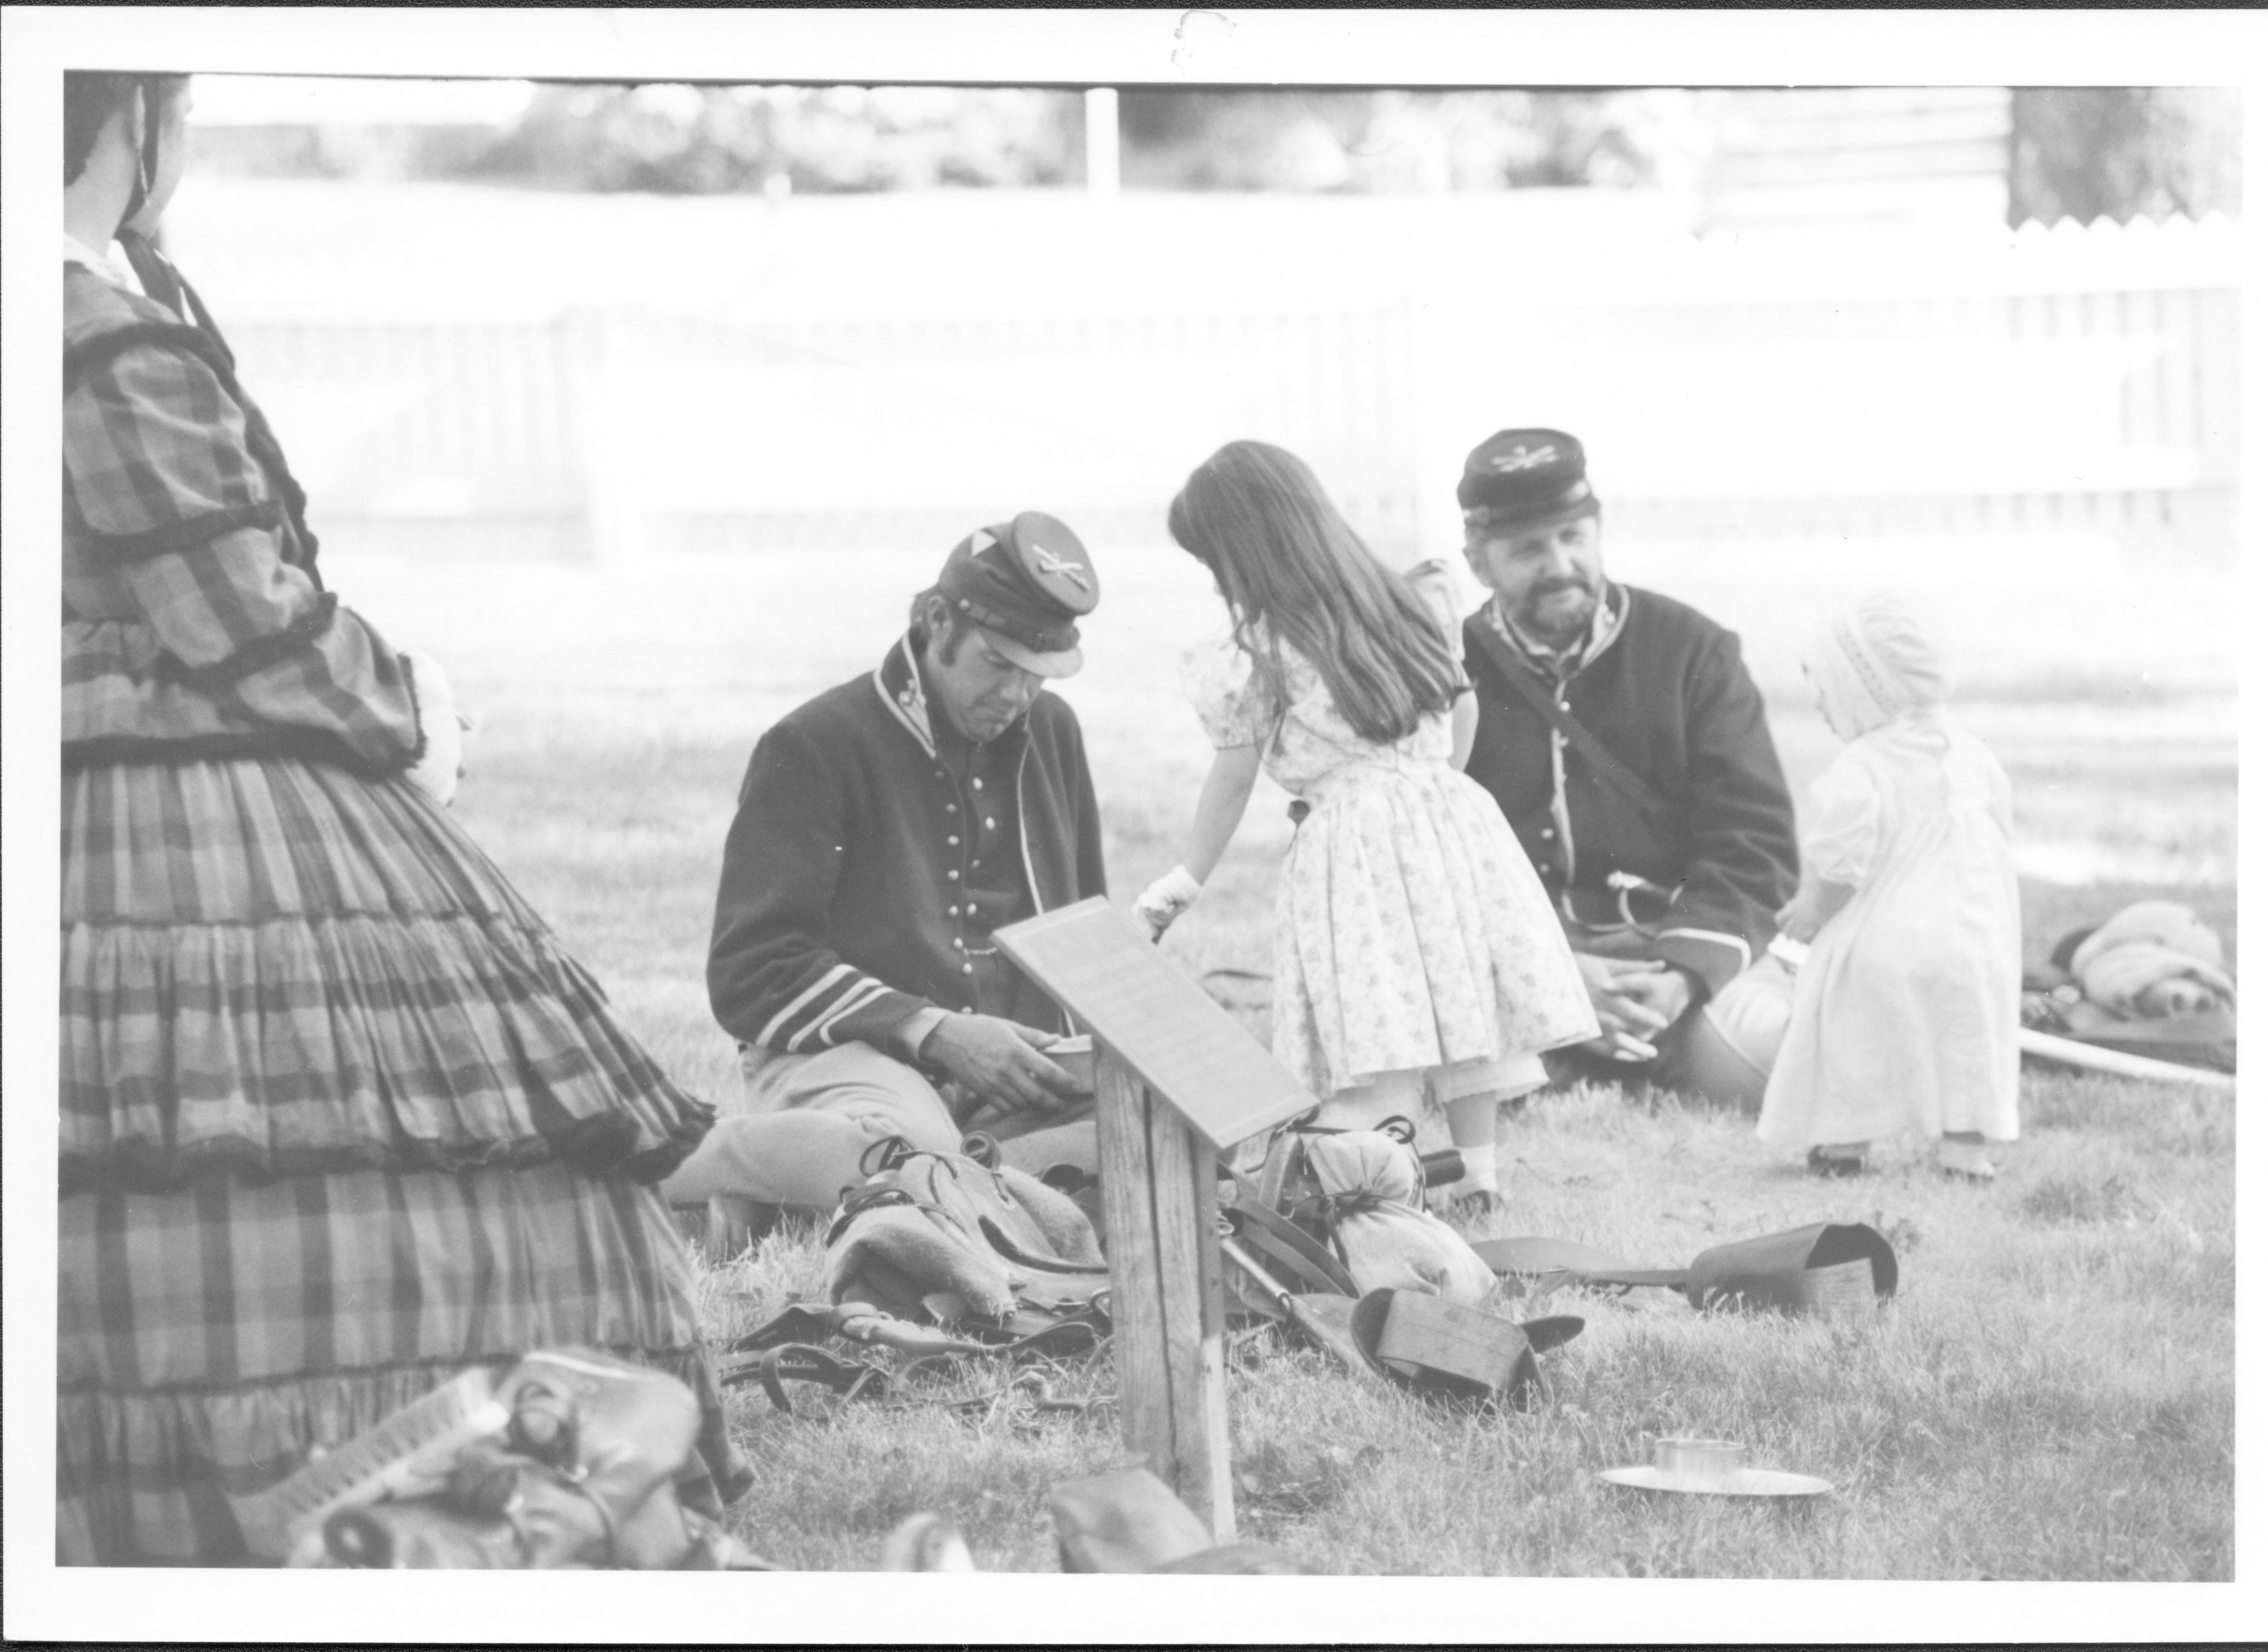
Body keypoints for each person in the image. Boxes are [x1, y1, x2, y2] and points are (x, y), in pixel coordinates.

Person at [58, 72, 747, 1565]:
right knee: (284, 1158)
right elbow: (234, 615)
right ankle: (380, 1520)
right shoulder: (88, 330)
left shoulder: (121, 291)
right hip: (174, 802)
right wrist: (413, 710)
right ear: (129, 114)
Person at [1134, 441, 1599, 1211]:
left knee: (1380, 1006)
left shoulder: (1255, 649)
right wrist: (1430, 787)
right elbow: (1463, 705)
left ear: (1241, 550)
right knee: (1460, 1005)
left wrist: (1183, 880)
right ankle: (1479, 1175)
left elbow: (1232, 775)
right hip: (1448, 820)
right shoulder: (1411, 600)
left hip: (1350, 839)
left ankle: (1392, 1175)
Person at [661, 513, 1110, 1231]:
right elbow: (752, 970)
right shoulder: (814, 745)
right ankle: (686, 1167)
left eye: (1037, 677)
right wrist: (934, 1031)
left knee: (1168, 1130)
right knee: (917, 1156)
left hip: (1010, 1085)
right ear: (937, 621)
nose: (1017, 698)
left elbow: (1082, 925)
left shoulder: (1053, 732)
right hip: (849, 1056)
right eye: (998, 664)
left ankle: (839, 1189)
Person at [1455, 428, 1801, 1108]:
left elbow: (1753, 846)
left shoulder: (1692, 651)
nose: (1559, 564)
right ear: (1478, 560)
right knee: (1436, 1078)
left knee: (1782, 1069)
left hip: (1668, 957)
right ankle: (1572, 1057)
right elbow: (1430, 870)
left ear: (1598, 530)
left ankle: (1616, 1054)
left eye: (1573, 537)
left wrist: (1678, 980)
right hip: (1513, 970)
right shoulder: (1446, 669)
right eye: (1527, 548)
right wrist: (1552, 974)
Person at [1755, 592, 2022, 1179]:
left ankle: (1842, 1144)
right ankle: (1965, 1151)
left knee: (1848, 1025)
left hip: (1888, 938)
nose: (1819, 703)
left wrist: (1810, 910)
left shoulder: (1863, 766)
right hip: (1973, 937)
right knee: (1966, 1037)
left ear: (1862, 687)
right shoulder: (1975, 755)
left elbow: (1843, 863)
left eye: (1825, 688)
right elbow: (1997, 836)